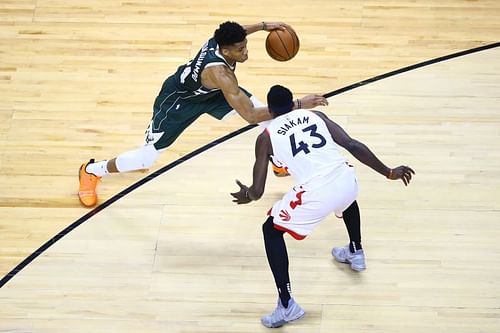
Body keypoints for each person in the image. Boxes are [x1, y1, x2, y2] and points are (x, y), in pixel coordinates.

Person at [78, 21, 328, 207]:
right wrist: (298, 103)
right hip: (179, 102)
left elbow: (238, 30)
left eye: (245, 45)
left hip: (211, 93)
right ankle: (92, 170)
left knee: (272, 120)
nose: (246, 52)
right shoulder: (222, 75)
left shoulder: (220, 42)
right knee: (146, 159)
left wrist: (263, 26)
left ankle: (278, 161)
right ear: (226, 51)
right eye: (240, 49)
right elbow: (251, 115)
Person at [231, 85, 415, 328]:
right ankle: (356, 251)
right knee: (345, 196)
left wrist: (248, 195)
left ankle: (287, 305)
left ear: (271, 109)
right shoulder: (316, 116)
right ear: (292, 103)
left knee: (271, 230)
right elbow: (351, 144)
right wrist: (388, 172)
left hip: (316, 191)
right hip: (346, 178)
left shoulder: (265, 137)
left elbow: (258, 190)